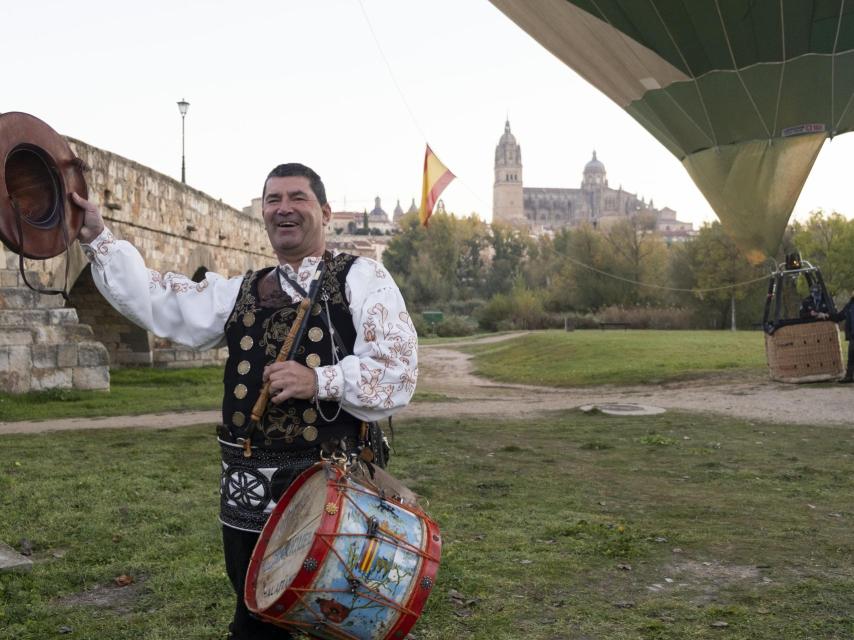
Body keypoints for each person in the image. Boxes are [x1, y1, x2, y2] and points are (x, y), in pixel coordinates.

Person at [72, 163, 418, 639]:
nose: (284, 209)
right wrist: (98, 238)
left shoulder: (362, 278)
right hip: (249, 493)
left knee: (342, 622)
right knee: (256, 621)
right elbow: (161, 299)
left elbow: (397, 367)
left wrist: (319, 380)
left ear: (325, 212)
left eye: (297, 198)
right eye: (273, 200)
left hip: (337, 491)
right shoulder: (241, 290)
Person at [831, 294, 854, 383]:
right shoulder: (850, 305)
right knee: (851, 357)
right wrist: (827, 315)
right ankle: (849, 377)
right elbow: (839, 316)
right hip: (853, 335)